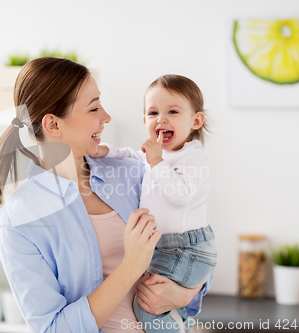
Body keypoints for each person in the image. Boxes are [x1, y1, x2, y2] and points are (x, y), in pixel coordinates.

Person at [0, 58, 211, 332]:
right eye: (94, 107)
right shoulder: (21, 219)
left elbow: (195, 243)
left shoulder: (133, 170)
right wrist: (130, 267)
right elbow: (53, 328)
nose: (106, 116)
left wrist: (186, 293)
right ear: (53, 125)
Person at [91, 74, 216, 333]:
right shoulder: (163, 155)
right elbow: (133, 155)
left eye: (172, 111)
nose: (162, 119)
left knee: (147, 309)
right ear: (145, 120)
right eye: (153, 112)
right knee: (162, 304)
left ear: (196, 120)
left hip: (186, 247)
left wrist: (157, 161)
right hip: (171, 248)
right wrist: (105, 151)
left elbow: (180, 194)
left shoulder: (192, 157)